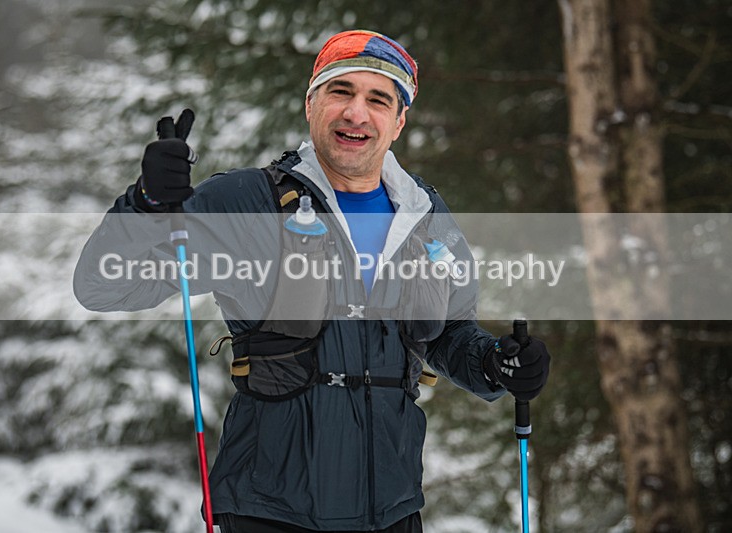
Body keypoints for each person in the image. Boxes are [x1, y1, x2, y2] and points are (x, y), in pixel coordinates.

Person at [74, 30, 550, 533]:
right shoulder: (248, 202)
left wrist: (498, 365)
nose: (356, 113)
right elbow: (105, 284)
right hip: (268, 513)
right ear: (311, 103)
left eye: (378, 100)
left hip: (392, 512)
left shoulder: (425, 217)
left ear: (399, 120)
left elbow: (450, 334)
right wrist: (145, 204)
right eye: (340, 91)